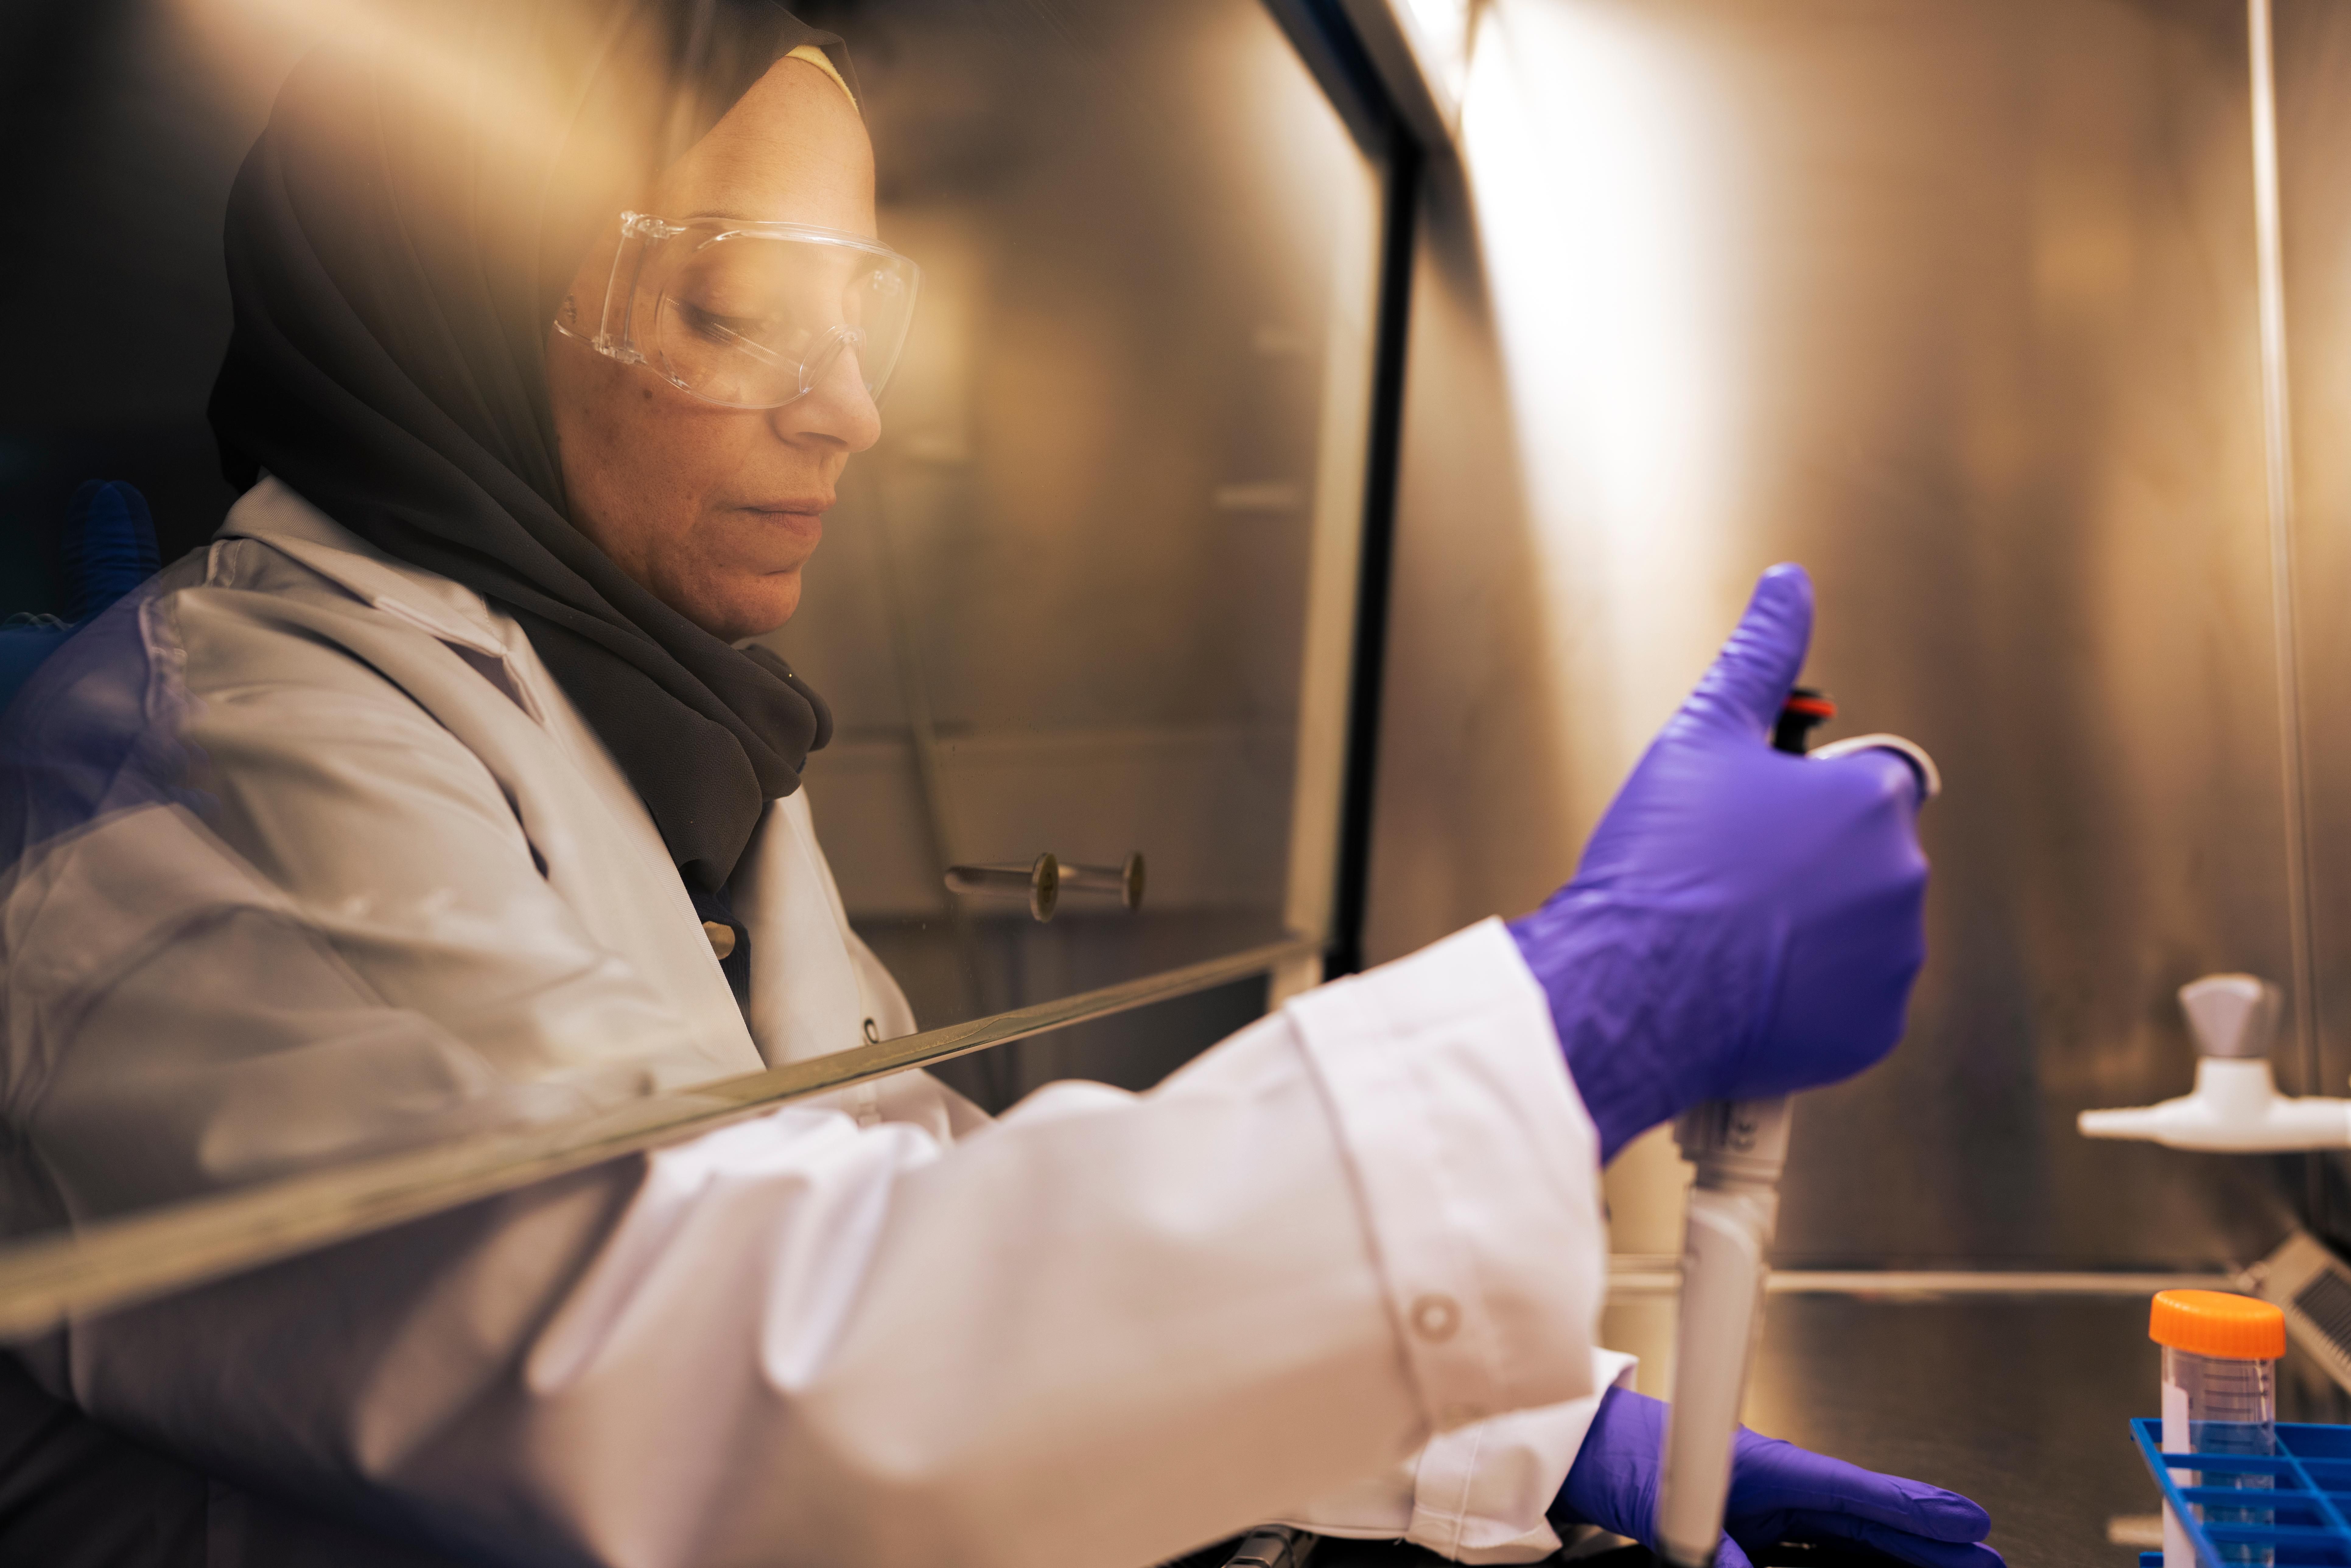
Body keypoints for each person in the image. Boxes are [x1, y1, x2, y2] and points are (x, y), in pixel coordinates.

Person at [0, 4, 1998, 1566]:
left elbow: (903, 1214)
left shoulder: (651, 745)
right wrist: (1588, 1019)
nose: (847, 411)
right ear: (443, 292)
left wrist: (1523, 1432)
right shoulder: (217, 768)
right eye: (732, 309)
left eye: (857, 310)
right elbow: (737, 1383)